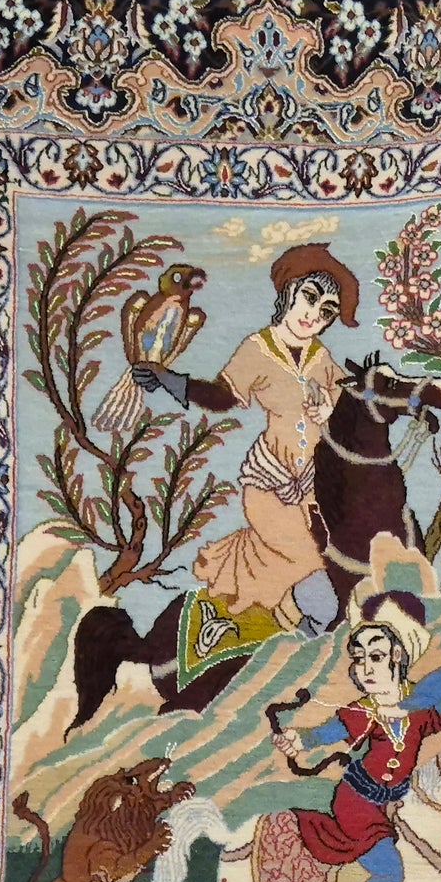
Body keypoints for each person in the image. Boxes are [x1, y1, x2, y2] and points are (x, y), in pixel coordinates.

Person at [133, 243, 361, 636]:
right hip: (270, 485)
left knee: (342, 558)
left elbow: (351, 404)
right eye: (309, 297)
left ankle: (294, 633)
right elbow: (223, 396)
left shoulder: (321, 357)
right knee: (312, 564)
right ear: (289, 290)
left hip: (316, 491)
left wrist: (332, 412)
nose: (312, 315)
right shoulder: (257, 349)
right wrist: (173, 381)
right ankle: (299, 634)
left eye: (326, 312)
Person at [270, 592, 441, 882]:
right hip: (357, 802)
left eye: (376, 655)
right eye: (359, 658)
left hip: (394, 801)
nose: (365, 667)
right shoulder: (364, 710)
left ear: (398, 656)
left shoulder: (419, 708)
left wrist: (405, 707)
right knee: (390, 872)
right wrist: (298, 740)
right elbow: (326, 732)